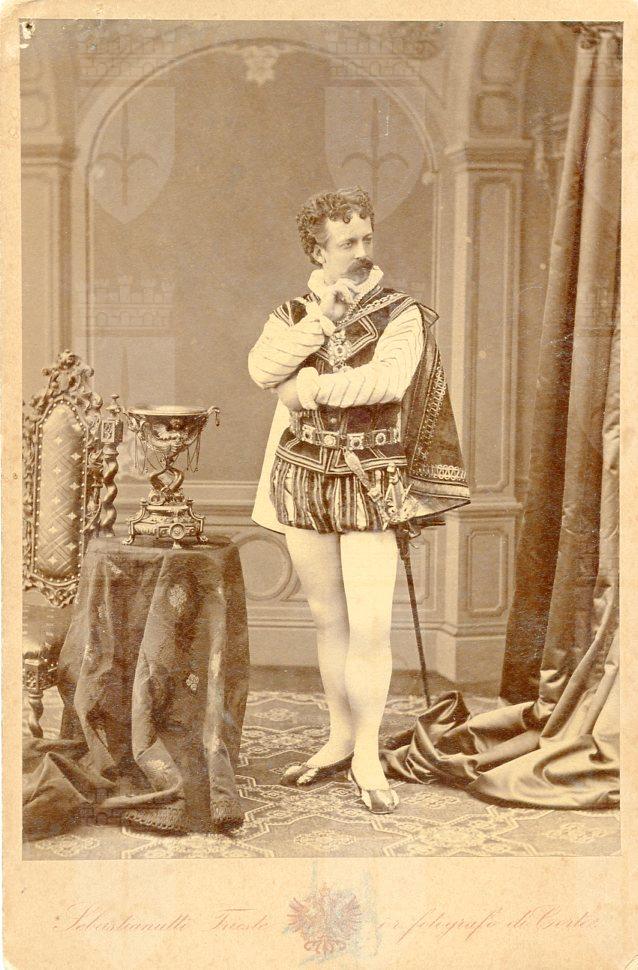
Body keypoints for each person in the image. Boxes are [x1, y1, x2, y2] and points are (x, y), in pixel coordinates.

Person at [248, 187, 469, 814]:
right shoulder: (294, 313)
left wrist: (308, 388)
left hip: (371, 479)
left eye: (367, 237)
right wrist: (321, 320)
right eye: (348, 242)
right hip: (302, 476)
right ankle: (339, 738)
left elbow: (389, 380)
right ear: (318, 250)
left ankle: (368, 753)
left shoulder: (402, 313)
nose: (363, 250)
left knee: (370, 624)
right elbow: (261, 371)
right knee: (328, 619)